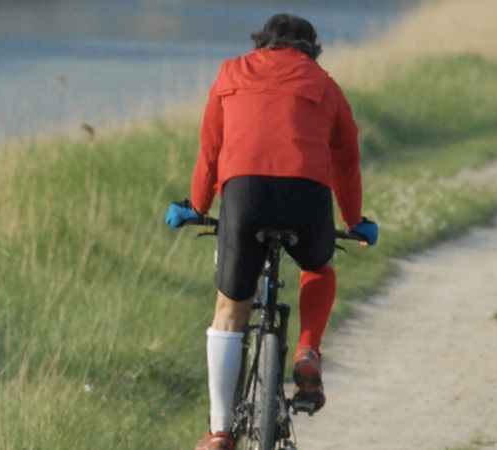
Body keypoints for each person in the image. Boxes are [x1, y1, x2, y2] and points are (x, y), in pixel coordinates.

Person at [164, 13, 376, 450]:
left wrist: (196, 207)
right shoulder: (325, 85)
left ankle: (220, 431)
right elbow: (346, 163)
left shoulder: (229, 73)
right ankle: (307, 351)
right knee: (318, 268)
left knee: (229, 310)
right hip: (307, 195)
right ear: (310, 51)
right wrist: (354, 220)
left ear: (262, 45)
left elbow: (211, 150)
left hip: (245, 194)